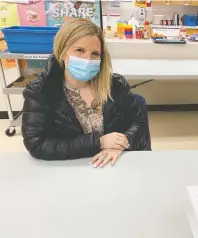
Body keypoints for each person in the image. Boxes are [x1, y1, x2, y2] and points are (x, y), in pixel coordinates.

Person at [22, 18, 151, 167]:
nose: (87, 59)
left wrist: (120, 145)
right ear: (62, 52)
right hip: (71, 168)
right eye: (80, 50)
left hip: (115, 165)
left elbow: (138, 123)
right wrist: (99, 142)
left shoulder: (115, 85)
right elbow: (37, 144)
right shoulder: (41, 91)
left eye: (95, 53)